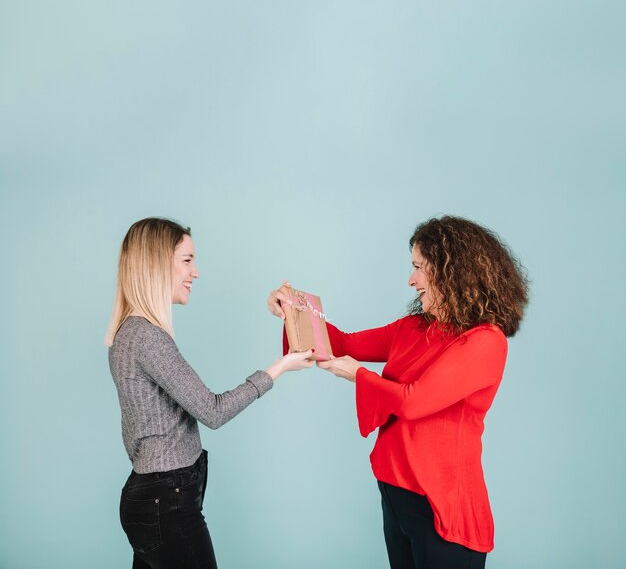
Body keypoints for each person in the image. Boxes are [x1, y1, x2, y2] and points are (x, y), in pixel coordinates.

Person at [268, 215, 528, 569]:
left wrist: (357, 375)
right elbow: (341, 342)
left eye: (419, 267)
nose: (411, 280)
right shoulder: (412, 328)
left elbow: (414, 400)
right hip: (395, 491)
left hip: (440, 504)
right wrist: (293, 310)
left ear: (452, 271)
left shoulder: (485, 342)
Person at [107, 217, 314, 569]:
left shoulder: (130, 332)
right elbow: (213, 411)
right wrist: (278, 368)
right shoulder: (147, 338)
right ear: (157, 263)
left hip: (151, 498)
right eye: (187, 260)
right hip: (166, 503)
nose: (196, 272)